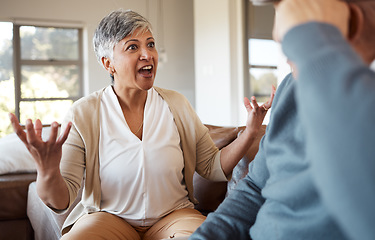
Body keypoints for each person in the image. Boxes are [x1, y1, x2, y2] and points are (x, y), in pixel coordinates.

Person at [8, 9, 275, 240]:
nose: (147, 54)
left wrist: (251, 131)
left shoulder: (177, 104)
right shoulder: (84, 113)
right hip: (108, 218)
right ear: (108, 63)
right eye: (133, 47)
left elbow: (212, 167)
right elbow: (61, 200)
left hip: (174, 215)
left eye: (151, 44)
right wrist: (47, 171)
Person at [190, 0, 375, 239]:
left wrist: (313, 48)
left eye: (291, 37)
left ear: (350, 23)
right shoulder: (292, 88)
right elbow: (255, 188)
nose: (286, 55)